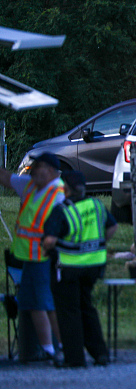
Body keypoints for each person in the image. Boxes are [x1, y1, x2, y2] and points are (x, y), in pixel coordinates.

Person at [41, 170, 116, 368]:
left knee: (69, 312)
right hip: (93, 267)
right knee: (86, 307)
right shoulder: (96, 205)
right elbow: (112, 227)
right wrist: (97, 245)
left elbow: (49, 240)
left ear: (65, 188)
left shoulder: (62, 210)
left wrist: (47, 247)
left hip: (68, 268)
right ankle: (100, 354)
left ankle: (74, 359)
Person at [0, 152, 65, 363]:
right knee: (32, 303)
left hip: (43, 258)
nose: (34, 170)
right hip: (27, 256)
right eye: (33, 166)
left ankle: (58, 348)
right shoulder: (30, 185)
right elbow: (7, 178)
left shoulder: (57, 192)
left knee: (43, 304)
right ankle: (51, 349)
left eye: (39, 167)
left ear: (52, 171)